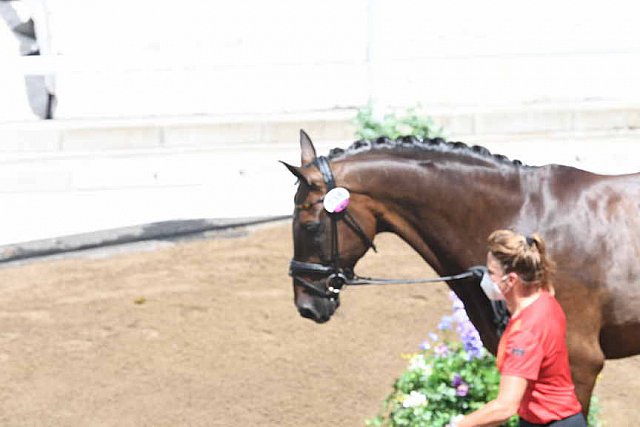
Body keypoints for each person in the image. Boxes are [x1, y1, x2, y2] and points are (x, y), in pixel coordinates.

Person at [452, 230, 586, 427]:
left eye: (491, 273)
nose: (486, 279)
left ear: (511, 280)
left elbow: (504, 408)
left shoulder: (525, 334)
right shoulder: (545, 300)